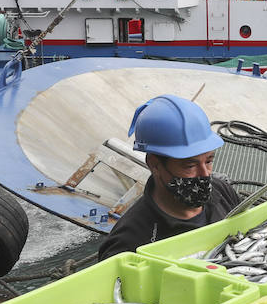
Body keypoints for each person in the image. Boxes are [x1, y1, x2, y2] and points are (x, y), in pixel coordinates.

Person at [97, 95, 239, 260]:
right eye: (190, 166)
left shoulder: (222, 192)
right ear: (155, 165)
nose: (205, 174)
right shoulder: (128, 242)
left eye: (208, 161)